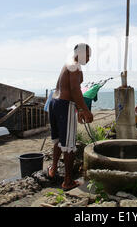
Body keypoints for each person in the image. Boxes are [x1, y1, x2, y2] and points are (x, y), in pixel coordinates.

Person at [47, 43, 94, 191]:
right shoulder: (76, 66)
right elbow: (74, 89)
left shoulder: (67, 64)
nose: (89, 58)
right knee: (69, 146)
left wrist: (79, 109)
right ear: (80, 53)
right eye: (88, 55)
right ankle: (68, 181)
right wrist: (85, 110)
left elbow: (64, 87)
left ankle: (53, 169)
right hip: (65, 105)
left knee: (59, 141)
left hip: (54, 103)